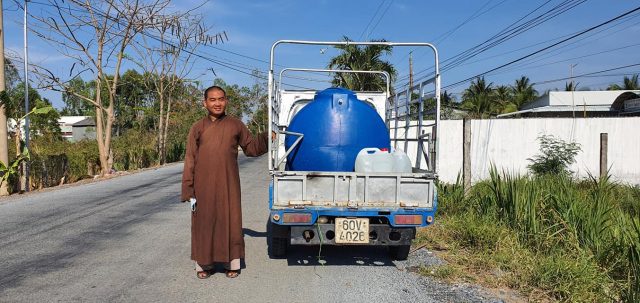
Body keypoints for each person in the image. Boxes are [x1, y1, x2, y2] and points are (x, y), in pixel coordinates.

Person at [181, 85, 269, 279]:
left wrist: (266, 138)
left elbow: (251, 148)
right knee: (203, 224)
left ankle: (232, 263)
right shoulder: (197, 127)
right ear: (205, 103)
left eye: (221, 99)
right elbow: (190, 159)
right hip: (202, 185)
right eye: (212, 100)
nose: (217, 103)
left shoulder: (235, 125)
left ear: (226, 101)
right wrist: (188, 188)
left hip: (229, 184)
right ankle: (204, 265)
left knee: (230, 221)